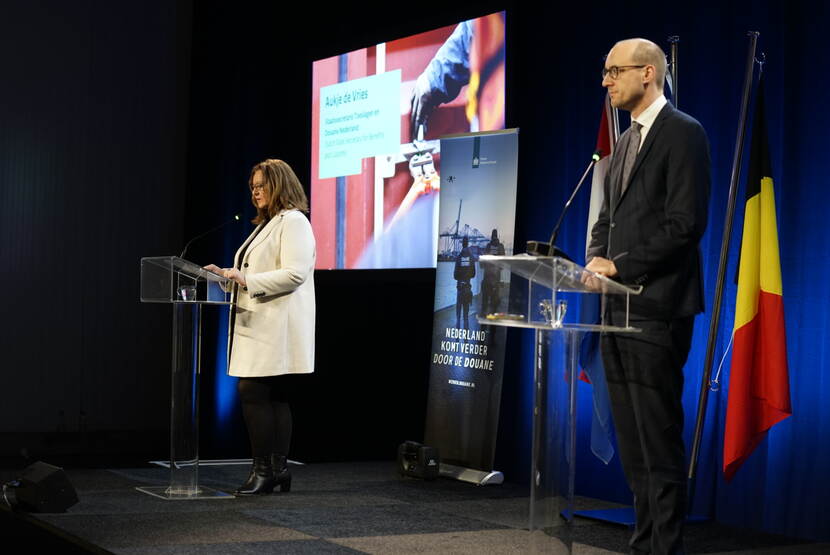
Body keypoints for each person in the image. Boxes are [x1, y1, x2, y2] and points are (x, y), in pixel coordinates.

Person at [585, 38, 710, 555]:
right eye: (606, 71)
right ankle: (643, 544)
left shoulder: (683, 134)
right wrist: (595, 260)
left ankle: (666, 547)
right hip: (616, 310)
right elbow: (606, 222)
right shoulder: (623, 140)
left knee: (656, 438)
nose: (607, 81)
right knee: (632, 440)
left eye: (615, 71)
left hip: (657, 309)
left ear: (649, 73)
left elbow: (686, 225)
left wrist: (622, 265)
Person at [205, 159, 316, 496]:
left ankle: (264, 471)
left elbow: (296, 273)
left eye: (261, 185)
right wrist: (225, 277)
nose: (255, 192)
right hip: (263, 323)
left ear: (280, 185)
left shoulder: (294, 222)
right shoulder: (268, 224)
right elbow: (254, 275)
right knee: (274, 397)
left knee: (252, 391)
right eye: (252, 186)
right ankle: (278, 471)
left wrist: (246, 279)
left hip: (276, 325)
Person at [480, 228, 505, 316]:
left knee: (485, 298)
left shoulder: (488, 246)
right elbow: (503, 261)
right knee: (494, 297)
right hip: (496, 276)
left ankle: (484, 315)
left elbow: (483, 261)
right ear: (497, 235)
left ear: (491, 235)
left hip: (487, 276)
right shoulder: (501, 246)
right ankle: (493, 316)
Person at [453, 236, 476, 329]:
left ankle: (457, 338)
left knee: (458, 316)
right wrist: (467, 276)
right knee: (466, 316)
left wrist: (460, 276)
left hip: (460, 289)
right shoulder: (471, 257)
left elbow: (454, 276)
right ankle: (466, 339)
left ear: (462, 243)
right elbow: (474, 274)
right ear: (468, 243)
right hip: (467, 288)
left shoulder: (458, 257)